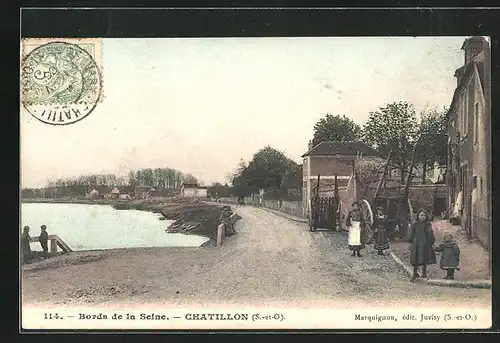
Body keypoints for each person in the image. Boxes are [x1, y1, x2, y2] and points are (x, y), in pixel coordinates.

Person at [406, 209, 436, 281]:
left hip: (425, 244)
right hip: (416, 243)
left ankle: (424, 273)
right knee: (415, 258)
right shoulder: (415, 224)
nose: (422, 217)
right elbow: (411, 233)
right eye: (421, 215)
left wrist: (431, 241)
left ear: (426, 216)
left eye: (424, 215)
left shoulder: (428, 224)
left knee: (424, 257)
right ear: (418, 216)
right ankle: (415, 273)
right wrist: (410, 240)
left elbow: (430, 233)